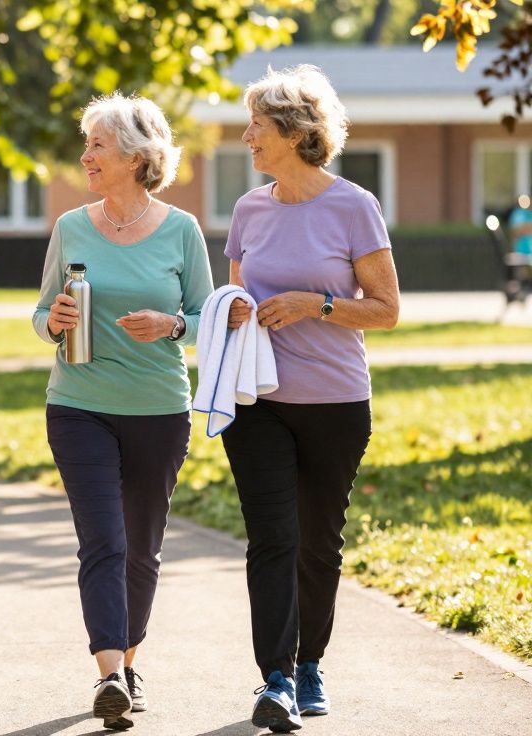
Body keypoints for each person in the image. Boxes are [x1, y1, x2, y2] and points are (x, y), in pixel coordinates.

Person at [223, 65, 399, 732]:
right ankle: (275, 678)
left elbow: (385, 310)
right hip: (258, 400)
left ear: (296, 133)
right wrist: (234, 313)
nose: (247, 138)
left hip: (334, 402)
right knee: (273, 537)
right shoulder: (249, 208)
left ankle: (310, 662)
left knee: (318, 541)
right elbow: (239, 295)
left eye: (258, 127)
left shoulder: (353, 205)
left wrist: (317, 304)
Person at [32, 93, 212, 731]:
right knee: (103, 541)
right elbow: (40, 313)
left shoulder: (182, 230)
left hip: (159, 409)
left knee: (141, 548)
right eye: (87, 146)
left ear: (137, 157)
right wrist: (52, 321)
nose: (86, 157)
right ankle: (109, 673)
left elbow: (205, 319)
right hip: (79, 403)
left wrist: (170, 324)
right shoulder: (71, 227)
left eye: (97, 146)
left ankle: (129, 662)